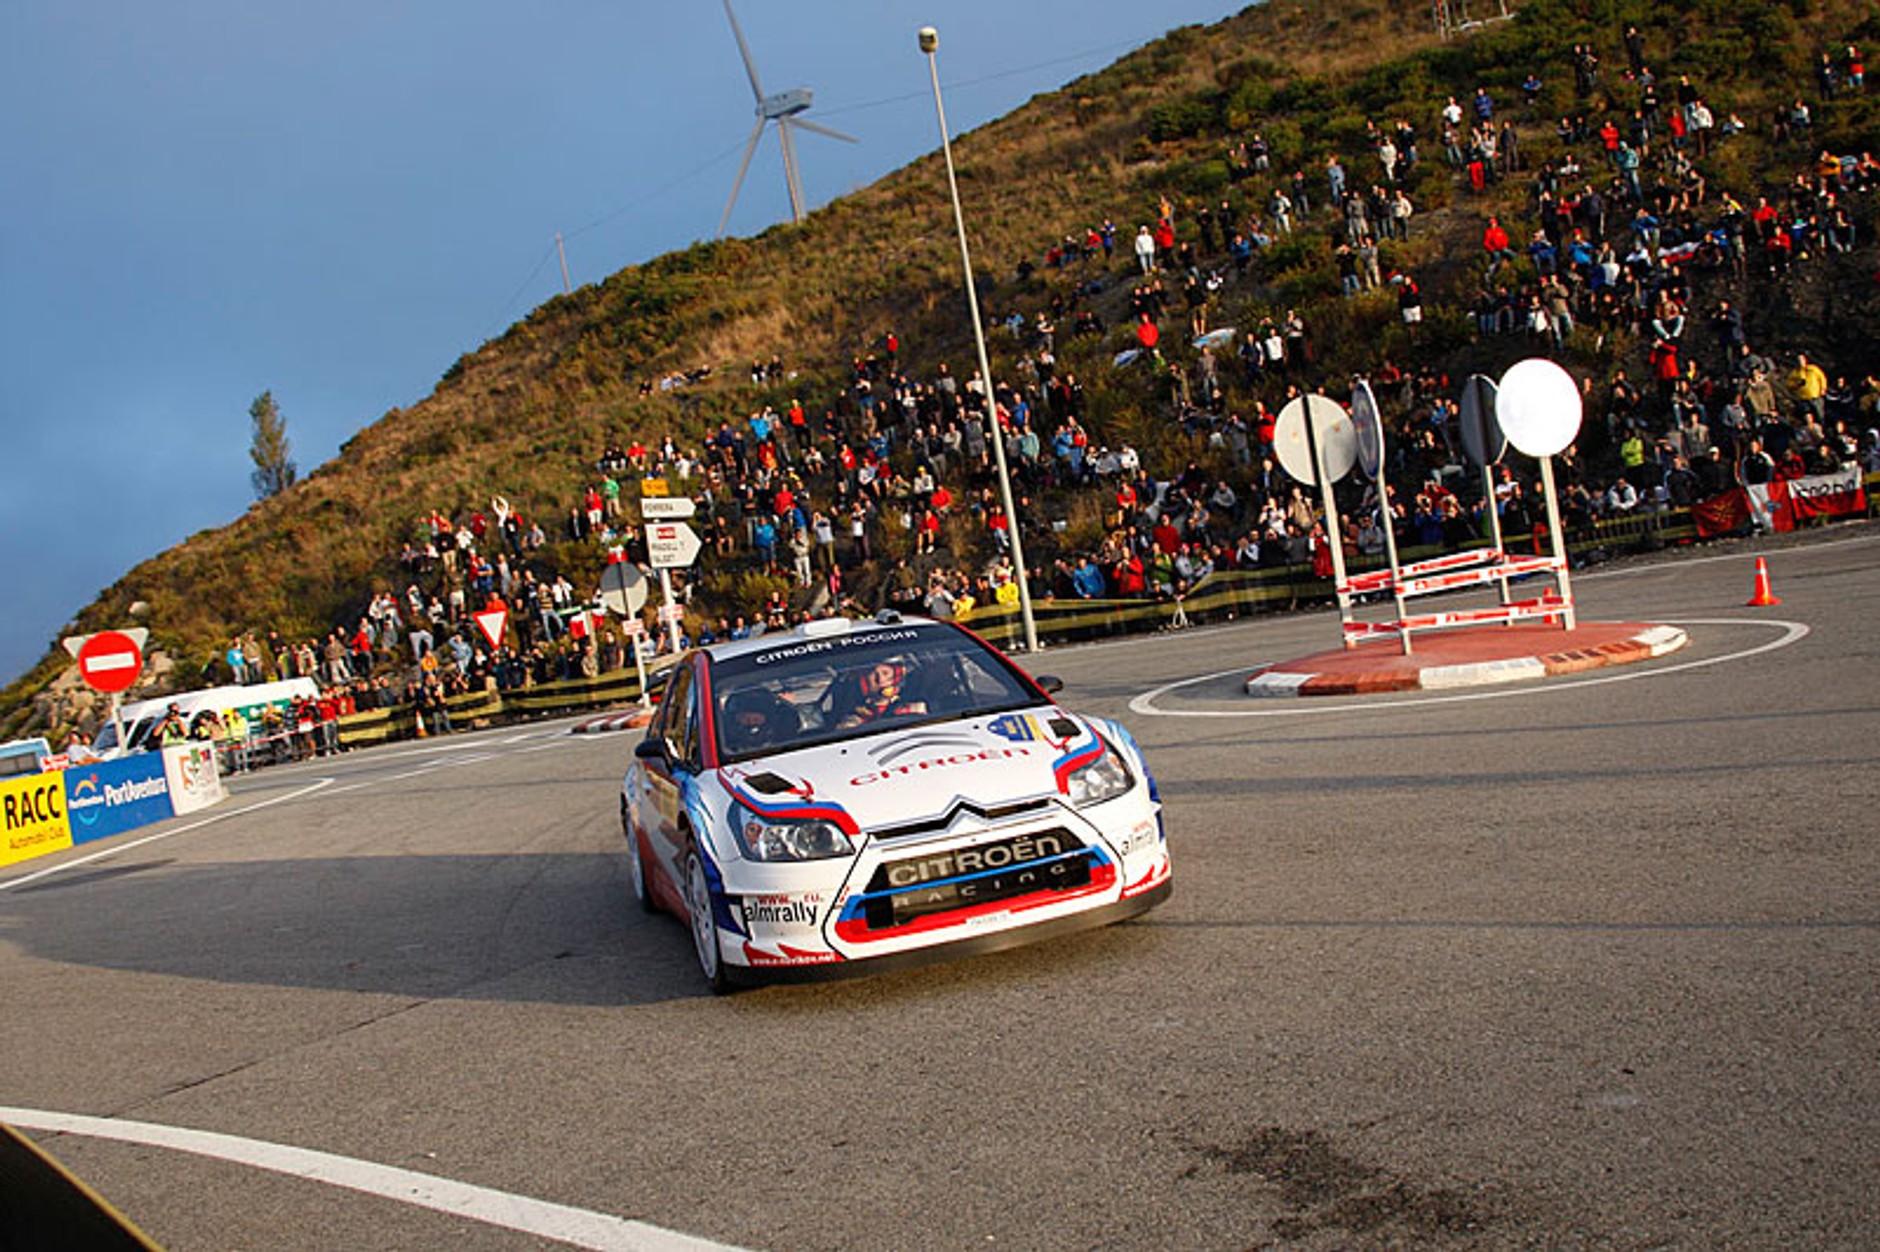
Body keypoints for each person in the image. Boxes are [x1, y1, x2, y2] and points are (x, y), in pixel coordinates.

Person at [833, 660, 927, 729]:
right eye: (875, 676)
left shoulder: (916, 708)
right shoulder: (855, 719)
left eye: (885, 673)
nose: (881, 679)